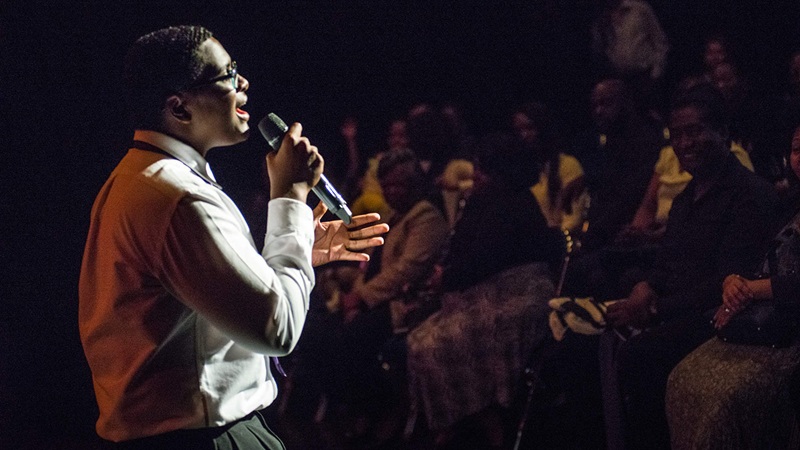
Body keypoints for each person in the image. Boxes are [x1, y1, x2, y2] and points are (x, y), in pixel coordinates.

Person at [78, 26, 388, 449]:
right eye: (226, 75)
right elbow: (275, 330)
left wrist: (298, 248)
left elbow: (200, 303)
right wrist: (291, 197)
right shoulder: (177, 197)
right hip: (204, 437)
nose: (244, 83)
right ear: (179, 108)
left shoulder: (147, 180)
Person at [600, 83, 781, 449]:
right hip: (677, 307)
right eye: (677, 135)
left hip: (722, 313)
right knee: (591, 334)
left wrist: (653, 310)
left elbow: (729, 278)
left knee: (638, 356)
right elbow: (669, 262)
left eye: (695, 131)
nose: (685, 143)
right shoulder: (685, 200)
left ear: (723, 133)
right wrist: (646, 287)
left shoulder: (748, 193)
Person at [407, 132, 564, 449]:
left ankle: (485, 426)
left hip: (518, 294)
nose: (476, 176)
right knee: (419, 340)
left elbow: (485, 259)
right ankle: (465, 420)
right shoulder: (491, 199)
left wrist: (447, 277)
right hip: (495, 291)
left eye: (484, 170)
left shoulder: (508, 202)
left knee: (429, 345)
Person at [665, 123, 800, 449]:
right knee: (684, 380)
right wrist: (734, 286)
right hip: (766, 319)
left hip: (792, 331)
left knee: (721, 397)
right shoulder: (788, 201)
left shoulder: (749, 190)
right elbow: (762, 260)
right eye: (797, 149)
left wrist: (752, 291)